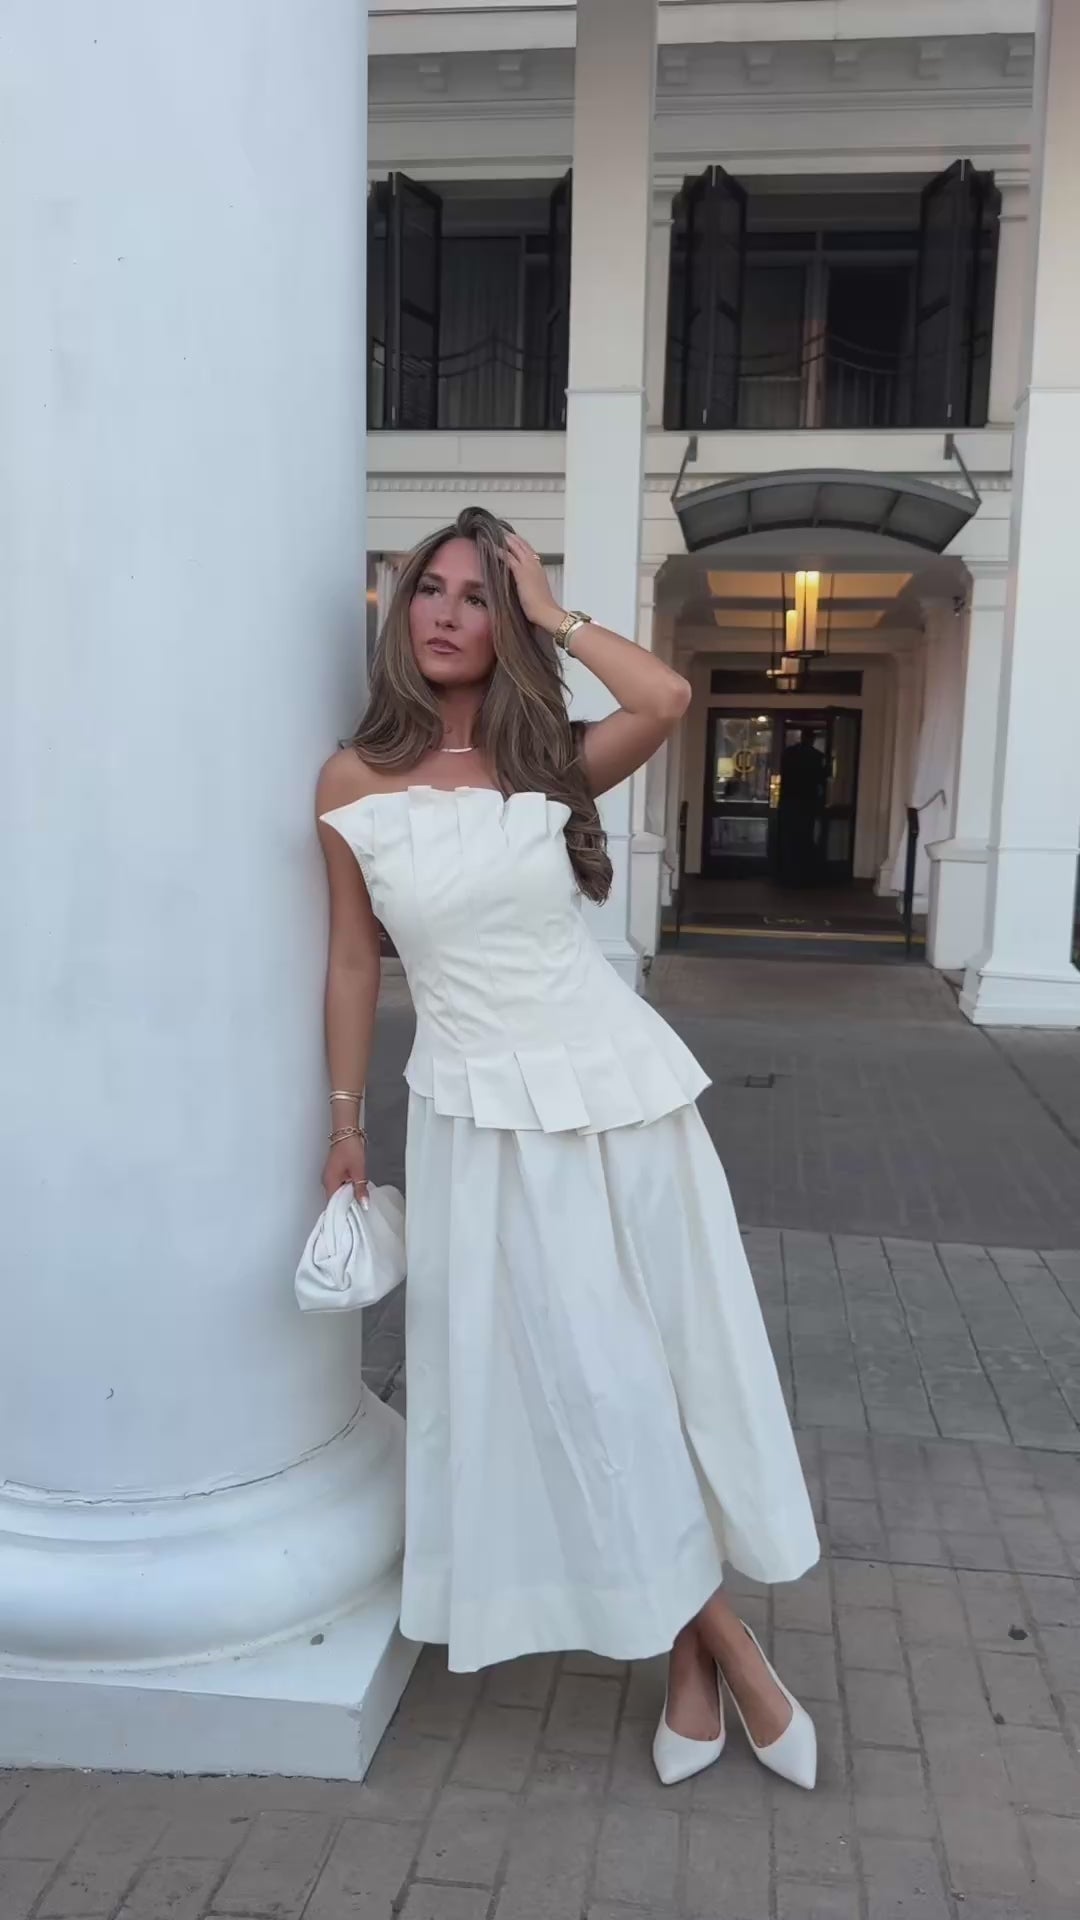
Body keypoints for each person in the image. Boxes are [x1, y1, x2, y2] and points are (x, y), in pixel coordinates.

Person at [316, 507, 820, 1791]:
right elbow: (352, 959)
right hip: (480, 1124)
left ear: (509, 624)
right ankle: (729, 1646)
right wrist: (344, 1125)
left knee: (659, 1371)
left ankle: (695, 1659)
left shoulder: (547, 762)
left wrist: (556, 612)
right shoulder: (352, 781)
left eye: (478, 597)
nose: (447, 614)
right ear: (400, 610)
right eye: (430, 590)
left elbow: (668, 695)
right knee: (590, 1387)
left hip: (623, 1100)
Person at [776, 726, 828, 885]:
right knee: (804, 837)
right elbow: (821, 780)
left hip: (789, 800)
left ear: (801, 737)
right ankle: (803, 873)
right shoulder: (817, 756)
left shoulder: (788, 754)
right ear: (812, 739)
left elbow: (781, 774)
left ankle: (787, 873)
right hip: (807, 802)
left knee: (789, 838)